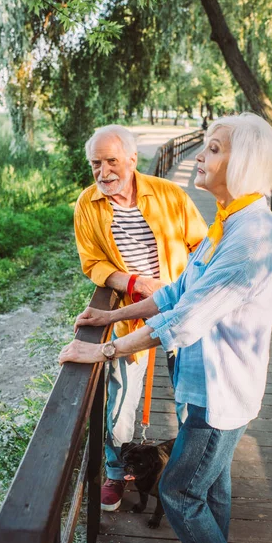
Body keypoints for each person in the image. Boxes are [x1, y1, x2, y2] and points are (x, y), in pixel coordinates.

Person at [59, 113, 272, 543]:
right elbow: (177, 289)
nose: (199, 157)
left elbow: (182, 319)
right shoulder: (229, 222)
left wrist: (103, 353)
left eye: (214, 149)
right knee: (214, 483)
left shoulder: (248, 238)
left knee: (178, 490)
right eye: (203, 146)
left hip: (221, 392)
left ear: (243, 162)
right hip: (204, 381)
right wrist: (110, 317)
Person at [74, 124, 207, 512]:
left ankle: (184, 480)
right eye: (95, 164)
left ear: (132, 159)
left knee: (189, 399)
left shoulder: (169, 195)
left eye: (112, 161)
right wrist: (135, 282)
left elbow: (202, 245)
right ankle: (116, 474)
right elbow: (92, 263)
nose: (103, 172)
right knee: (120, 404)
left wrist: (176, 288)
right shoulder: (88, 204)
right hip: (132, 316)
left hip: (182, 314)